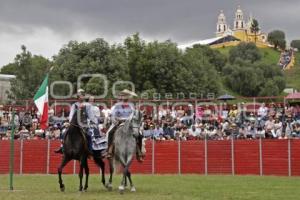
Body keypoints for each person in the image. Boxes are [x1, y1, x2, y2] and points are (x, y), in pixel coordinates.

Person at [106, 89, 145, 162]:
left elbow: (133, 115)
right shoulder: (117, 106)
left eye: (125, 96)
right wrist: (116, 120)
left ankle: (139, 153)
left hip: (129, 123)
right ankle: (109, 151)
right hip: (119, 122)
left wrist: (132, 120)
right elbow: (113, 115)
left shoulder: (131, 105)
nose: (124, 97)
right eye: (123, 96)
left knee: (139, 134)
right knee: (110, 133)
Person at [55, 89, 90, 154]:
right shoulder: (74, 105)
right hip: (75, 124)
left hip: (84, 124)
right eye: (79, 96)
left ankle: (90, 149)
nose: (80, 97)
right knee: (63, 132)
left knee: (89, 135)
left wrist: (88, 122)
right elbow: (71, 115)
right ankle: (62, 147)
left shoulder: (87, 105)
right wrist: (70, 122)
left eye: (82, 95)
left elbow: (89, 115)